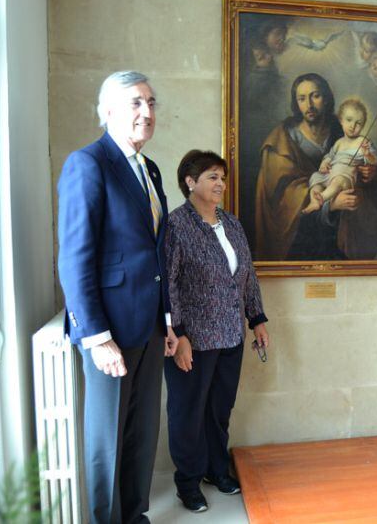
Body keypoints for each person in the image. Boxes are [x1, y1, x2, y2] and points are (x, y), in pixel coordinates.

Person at [57, 70, 178, 523]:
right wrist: (97, 336)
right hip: (110, 329)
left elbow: (155, 254)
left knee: (142, 432)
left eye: (151, 103)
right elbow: (74, 259)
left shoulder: (149, 169)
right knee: (108, 437)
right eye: (134, 103)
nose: (146, 112)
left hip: (148, 324)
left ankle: (134, 516)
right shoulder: (88, 164)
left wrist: (167, 321)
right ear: (107, 110)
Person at [164, 150, 270, 513]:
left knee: (219, 409)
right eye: (212, 176)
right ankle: (188, 481)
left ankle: (215, 469)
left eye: (222, 177)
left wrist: (257, 318)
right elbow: (170, 286)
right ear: (190, 182)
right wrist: (178, 335)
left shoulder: (232, 224)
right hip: (192, 338)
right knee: (188, 411)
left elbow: (247, 275)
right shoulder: (176, 226)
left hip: (231, 335)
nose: (221, 183)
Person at [255, 72, 377, 260]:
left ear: (327, 99)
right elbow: (282, 194)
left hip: (340, 235)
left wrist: (372, 172)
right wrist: (331, 205)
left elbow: (371, 167)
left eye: (315, 96)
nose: (309, 105)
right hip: (300, 238)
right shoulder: (283, 139)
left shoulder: (343, 128)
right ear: (296, 103)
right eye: (302, 99)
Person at [303, 98, 377, 214]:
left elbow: (375, 161)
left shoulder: (362, 141)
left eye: (358, 123)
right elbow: (329, 156)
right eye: (349, 120)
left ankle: (322, 198)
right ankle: (314, 201)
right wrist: (325, 163)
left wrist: (367, 154)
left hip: (345, 176)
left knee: (338, 180)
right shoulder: (339, 142)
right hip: (330, 174)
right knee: (316, 177)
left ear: (363, 126)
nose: (353, 126)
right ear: (341, 120)